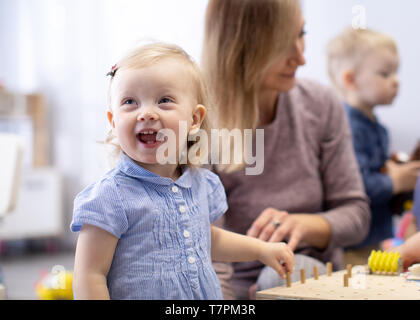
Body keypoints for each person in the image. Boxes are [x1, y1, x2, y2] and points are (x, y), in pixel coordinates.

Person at [70, 43, 294, 300]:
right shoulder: (109, 197)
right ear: (113, 121)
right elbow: (89, 275)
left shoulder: (199, 183)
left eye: (164, 100)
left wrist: (260, 249)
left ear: (194, 120)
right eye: (130, 102)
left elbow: (204, 239)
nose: (146, 113)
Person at [202, 0, 370, 299]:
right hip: (239, 291)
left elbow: (357, 215)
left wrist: (304, 225)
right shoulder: (198, 125)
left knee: (280, 276)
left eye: (301, 33)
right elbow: (209, 253)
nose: (301, 57)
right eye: (282, 43)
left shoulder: (320, 104)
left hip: (316, 279)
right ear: (240, 45)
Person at [327, 28, 420, 250]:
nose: (395, 81)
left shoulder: (378, 128)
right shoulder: (349, 127)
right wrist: (394, 182)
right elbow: (353, 186)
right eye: (385, 74)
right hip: (353, 244)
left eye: (396, 73)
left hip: (373, 238)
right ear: (350, 79)